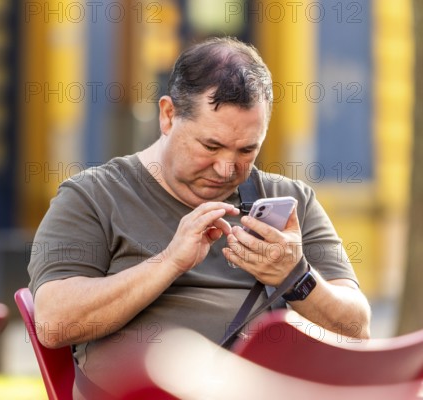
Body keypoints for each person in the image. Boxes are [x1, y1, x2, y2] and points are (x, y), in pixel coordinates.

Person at [27, 36, 371, 398]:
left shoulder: (290, 202)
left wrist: (296, 276)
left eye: (247, 150)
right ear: (168, 115)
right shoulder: (92, 196)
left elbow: (357, 328)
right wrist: (169, 262)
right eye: (210, 146)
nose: (226, 169)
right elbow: (53, 323)